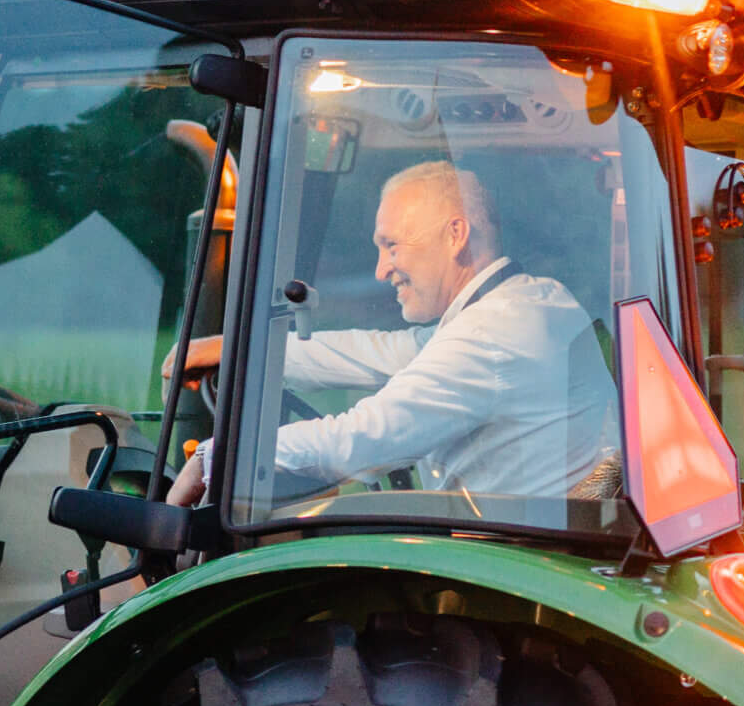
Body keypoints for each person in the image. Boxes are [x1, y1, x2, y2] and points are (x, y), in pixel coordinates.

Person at [167, 159, 613, 505]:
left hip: (506, 570)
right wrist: (239, 351)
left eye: (391, 245)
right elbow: (379, 351)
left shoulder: (495, 332)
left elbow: (362, 441)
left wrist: (213, 457)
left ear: (456, 234)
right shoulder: (526, 303)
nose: (382, 270)